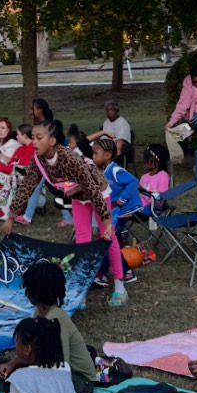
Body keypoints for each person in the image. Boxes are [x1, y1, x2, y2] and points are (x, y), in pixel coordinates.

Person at [10, 120, 129, 306]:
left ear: (52, 141)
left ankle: (120, 286)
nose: (34, 142)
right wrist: (11, 216)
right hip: (77, 197)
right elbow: (26, 186)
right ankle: (81, 289)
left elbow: (92, 188)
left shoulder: (69, 159)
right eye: (32, 137)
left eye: (39, 138)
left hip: (97, 192)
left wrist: (106, 223)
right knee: (82, 241)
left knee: (108, 237)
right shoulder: (38, 160)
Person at [0, 260, 100, 393]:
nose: (26, 293)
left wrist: (30, 374)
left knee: (44, 388)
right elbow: (31, 350)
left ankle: (19, 390)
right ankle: (19, 388)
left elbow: (61, 368)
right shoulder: (38, 312)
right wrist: (12, 364)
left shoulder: (56, 320)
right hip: (46, 369)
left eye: (28, 288)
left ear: (36, 292)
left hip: (78, 379)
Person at [90, 134, 144, 234]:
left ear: (107, 155)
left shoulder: (115, 170)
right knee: (109, 230)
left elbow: (133, 182)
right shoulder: (103, 170)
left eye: (95, 153)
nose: (93, 156)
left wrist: (122, 199)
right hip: (114, 207)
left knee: (113, 232)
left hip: (125, 207)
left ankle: (116, 246)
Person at [137, 144, 171, 212]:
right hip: (137, 205)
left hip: (150, 208)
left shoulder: (163, 176)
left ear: (158, 161)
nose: (144, 162)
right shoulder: (144, 177)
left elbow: (161, 198)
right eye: (144, 159)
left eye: (147, 160)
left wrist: (146, 192)